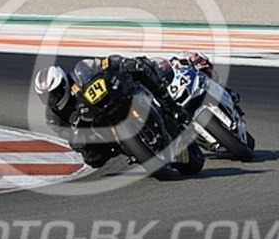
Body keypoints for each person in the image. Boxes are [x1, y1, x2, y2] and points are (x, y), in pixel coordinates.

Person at [34, 55, 188, 168]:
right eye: (46, 97)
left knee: (140, 66)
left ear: (63, 84)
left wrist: (117, 63)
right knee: (91, 158)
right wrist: (77, 131)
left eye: (53, 94)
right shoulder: (53, 117)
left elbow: (101, 64)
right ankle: (130, 150)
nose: (51, 100)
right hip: (97, 125)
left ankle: (170, 105)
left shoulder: (78, 76)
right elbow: (70, 138)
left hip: (114, 98)